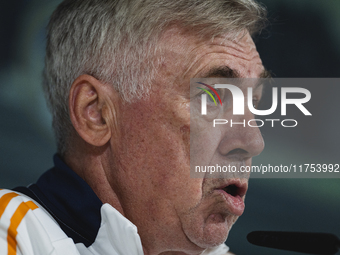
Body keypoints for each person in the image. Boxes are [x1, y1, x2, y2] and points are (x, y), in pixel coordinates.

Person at [0, 0, 268, 254]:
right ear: (96, 114)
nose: (253, 141)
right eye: (212, 98)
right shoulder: (15, 236)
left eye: (255, 103)